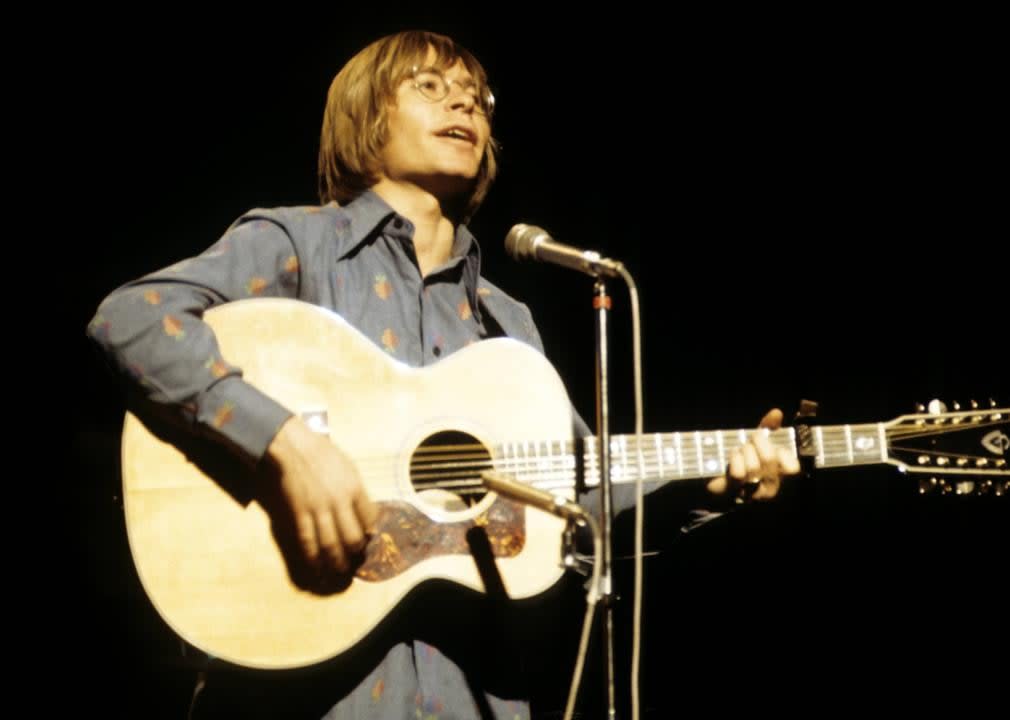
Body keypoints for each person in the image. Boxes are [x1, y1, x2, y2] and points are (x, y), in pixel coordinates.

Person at [86, 29, 800, 719]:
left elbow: (580, 505)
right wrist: (285, 443)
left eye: (476, 97)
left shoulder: (506, 323)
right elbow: (134, 317)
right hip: (306, 695)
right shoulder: (298, 242)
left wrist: (711, 487)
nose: (463, 105)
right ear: (367, 117)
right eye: (430, 87)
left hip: (474, 695)